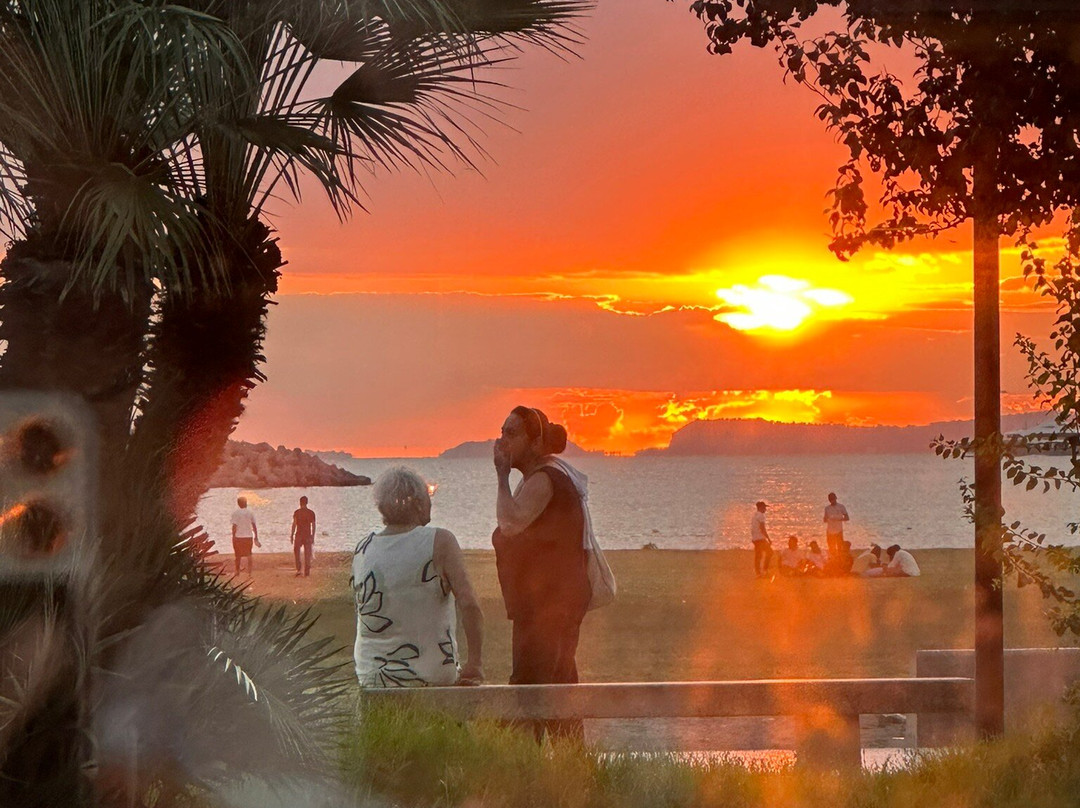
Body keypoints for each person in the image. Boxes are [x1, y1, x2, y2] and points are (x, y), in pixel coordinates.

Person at [492, 406, 590, 738]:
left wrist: (502, 477)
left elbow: (509, 524)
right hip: (540, 608)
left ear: (535, 443)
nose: (502, 440)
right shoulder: (540, 478)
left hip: (550, 610)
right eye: (502, 431)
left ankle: (559, 776)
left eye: (512, 433)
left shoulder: (546, 479)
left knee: (544, 695)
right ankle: (553, 774)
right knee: (545, 693)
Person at [353, 467, 483, 687]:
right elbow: (469, 604)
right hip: (427, 677)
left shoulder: (363, 549)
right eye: (429, 496)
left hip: (372, 676)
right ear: (419, 503)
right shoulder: (439, 541)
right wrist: (476, 665)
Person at [230, 496, 260, 576]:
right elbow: (254, 525)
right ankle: (249, 572)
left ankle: (237, 571)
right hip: (248, 536)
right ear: (246, 503)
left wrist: (233, 536)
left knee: (237, 555)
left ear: (238, 504)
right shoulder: (250, 512)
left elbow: (234, 526)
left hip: (239, 536)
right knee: (249, 554)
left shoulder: (235, 513)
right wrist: (256, 536)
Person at [290, 495, 316, 577]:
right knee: (307, 553)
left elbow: (294, 524)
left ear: (300, 502)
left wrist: (291, 534)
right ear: (307, 503)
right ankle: (307, 572)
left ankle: (299, 569)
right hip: (308, 534)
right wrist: (313, 536)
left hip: (299, 535)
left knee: (296, 551)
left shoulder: (297, 512)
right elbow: (314, 525)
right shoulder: (311, 513)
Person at [823, 492, 850, 557]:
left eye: (833, 499)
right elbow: (825, 519)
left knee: (839, 548)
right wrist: (827, 519)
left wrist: (839, 519)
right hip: (830, 531)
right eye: (830, 499)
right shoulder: (827, 508)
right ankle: (833, 562)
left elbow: (847, 518)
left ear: (836, 498)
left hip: (838, 530)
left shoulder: (841, 507)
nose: (832, 501)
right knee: (831, 548)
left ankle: (839, 561)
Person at [750, 501, 772, 578]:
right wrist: (768, 538)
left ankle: (758, 572)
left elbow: (753, 528)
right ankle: (764, 570)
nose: (765, 509)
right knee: (769, 552)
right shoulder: (761, 516)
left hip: (755, 538)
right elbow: (762, 528)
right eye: (764, 507)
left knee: (758, 555)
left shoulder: (754, 515)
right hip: (760, 538)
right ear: (760, 508)